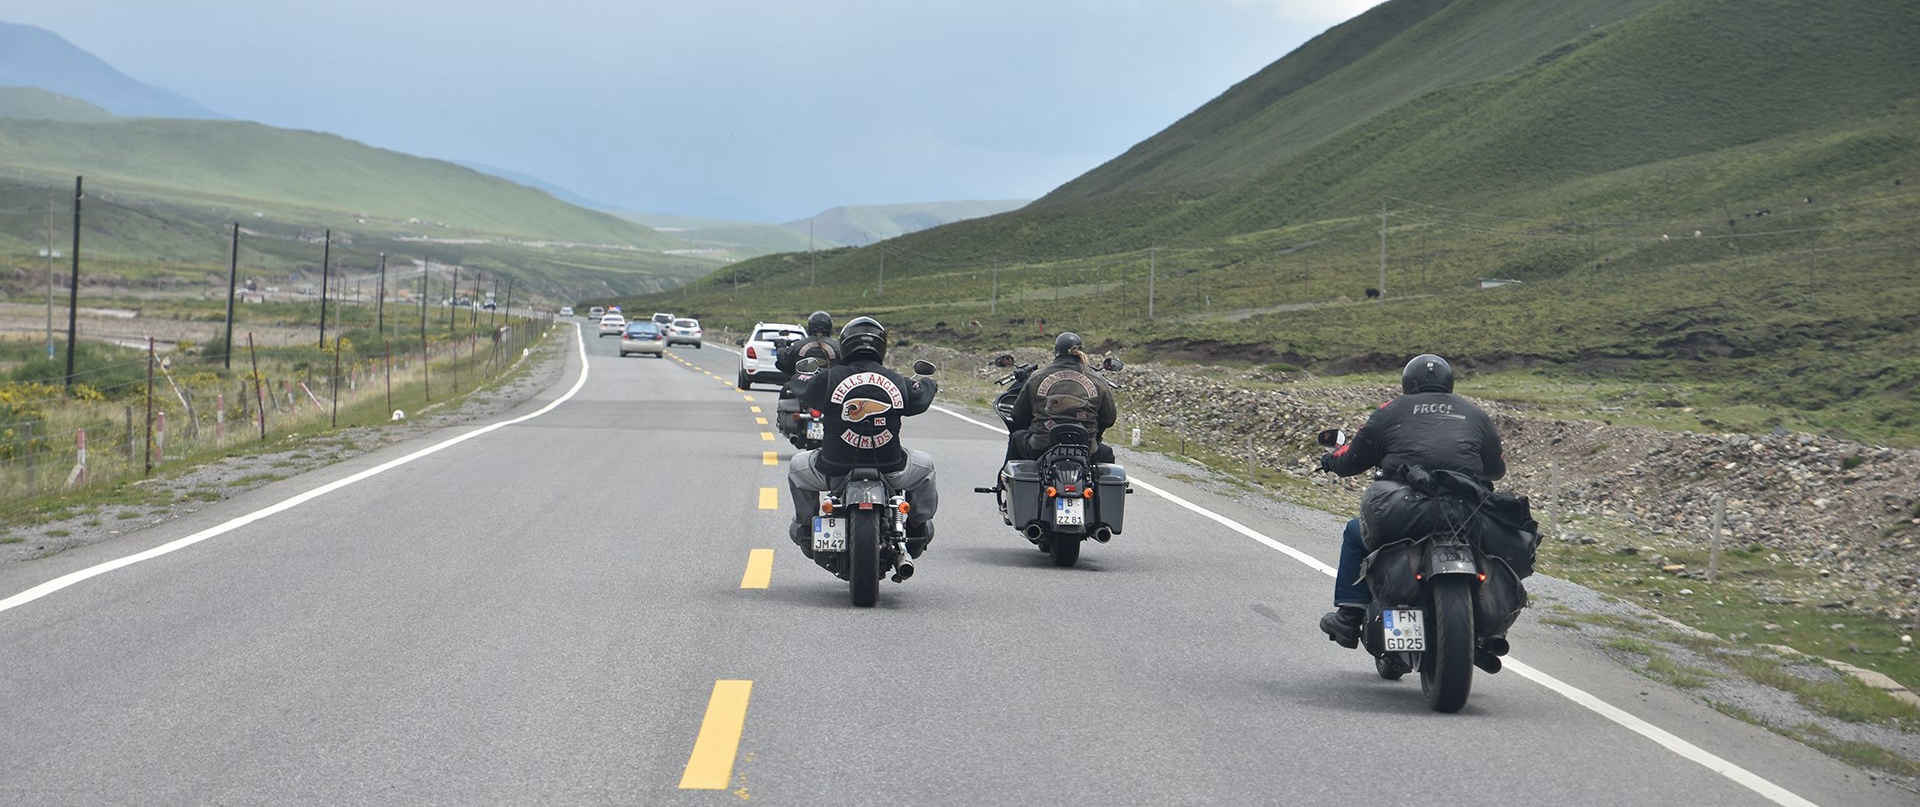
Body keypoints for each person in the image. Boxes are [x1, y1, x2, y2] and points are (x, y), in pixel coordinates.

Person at [1316, 354, 1506, 649]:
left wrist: (1329, 460)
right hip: (1467, 511)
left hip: (1404, 508)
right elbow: (1497, 469)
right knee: (1494, 547)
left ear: (1408, 382)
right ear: (1449, 382)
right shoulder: (1475, 413)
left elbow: (1353, 458)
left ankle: (1349, 617)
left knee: (1355, 533)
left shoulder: (1390, 411)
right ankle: (1494, 627)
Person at [787, 316, 940, 557]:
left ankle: (806, 528)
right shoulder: (897, 380)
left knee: (796, 466)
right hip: (891, 470)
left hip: (833, 471)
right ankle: (916, 527)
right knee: (926, 465)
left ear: (846, 345)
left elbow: (801, 386)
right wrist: (927, 382)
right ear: (881, 346)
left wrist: (804, 375)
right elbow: (921, 396)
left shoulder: (828, 379)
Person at [1007, 332, 1118, 464]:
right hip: (1087, 449)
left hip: (1040, 447)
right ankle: (1099, 484)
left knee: (1015, 438)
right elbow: (1109, 419)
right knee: (1107, 455)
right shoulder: (1098, 380)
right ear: (1081, 351)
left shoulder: (1037, 377)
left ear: (1056, 351)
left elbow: (1018, 415)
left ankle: (1001, 483)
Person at [775, 310, 841, 376]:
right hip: (830, 383)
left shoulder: (798, 345)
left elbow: (783, 357)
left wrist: (780, 345)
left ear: (810, 325)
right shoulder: (838, 346)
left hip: (801, 383)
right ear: (829, 327)